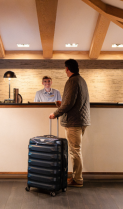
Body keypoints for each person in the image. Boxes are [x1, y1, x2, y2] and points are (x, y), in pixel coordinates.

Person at [49, 59, 90, 187]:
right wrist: (63, 104)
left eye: (65, 68)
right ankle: (76, 177)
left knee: (75, 151)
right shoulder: (81, 80)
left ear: (67, 68)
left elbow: (69, 103)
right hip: (81, 120)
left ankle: (77, 179)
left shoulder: (72, 81)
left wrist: (55, 113)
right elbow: (75, 101)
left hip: (74, 122)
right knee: (76, 150)